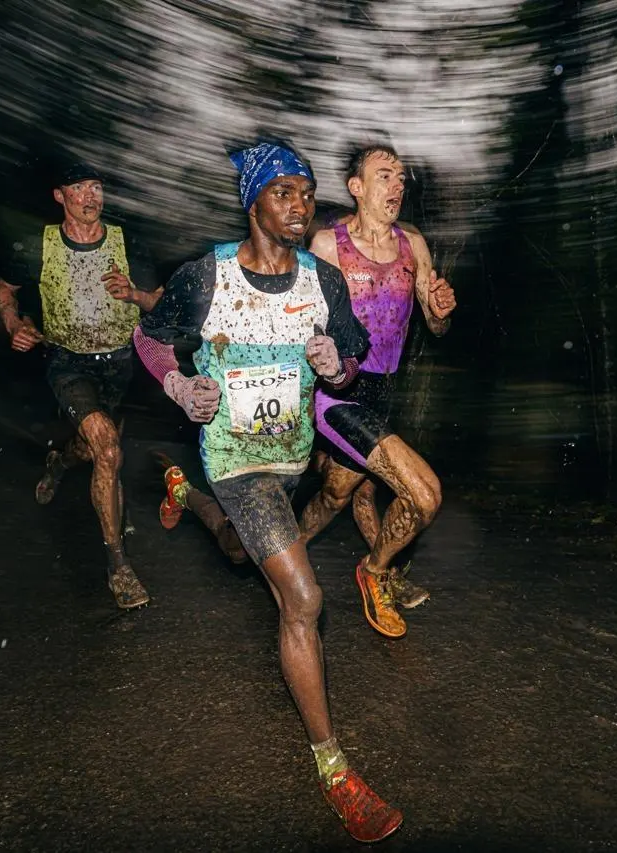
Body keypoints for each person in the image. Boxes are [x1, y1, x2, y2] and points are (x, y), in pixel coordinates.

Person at [134, 141, 402, 843]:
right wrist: (177, 383)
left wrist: (335, 367)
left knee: (236, 548)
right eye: (282, 192)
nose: (299, 205)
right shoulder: (207, 276)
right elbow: (150, 337)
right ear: (252, 202)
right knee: (303, 599)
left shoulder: (324, 280)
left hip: (291, 461)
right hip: (235, 461)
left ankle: (182, 493)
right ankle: (335, 768)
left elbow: (350, 359)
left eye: (306, 193)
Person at [295, 144, 456, 639]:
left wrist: (440, 313)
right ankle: (376, 571)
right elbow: (298, 326)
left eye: (401, 177)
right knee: (422, 496)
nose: (397, 185)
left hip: (384, 393)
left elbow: (435, 326)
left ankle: (279, 552)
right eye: (384, 175)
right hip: (337, 394)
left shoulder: (414, 245)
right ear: (357, 187)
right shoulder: (328, 245)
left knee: (339, 493)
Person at [0, 162, 161, 610]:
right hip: (67, 362)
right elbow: (4, 290)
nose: (91, 197)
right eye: (80, 188)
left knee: (92, 450)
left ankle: (60, 461)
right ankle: (119, 566)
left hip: (120, 364)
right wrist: (14, 324)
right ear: (60, 195)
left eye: (97, 188)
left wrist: (136, 295)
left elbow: (160, 300)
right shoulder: (39, 244)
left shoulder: (127, 242)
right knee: (108, 449)